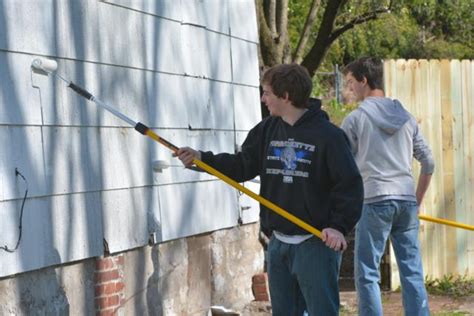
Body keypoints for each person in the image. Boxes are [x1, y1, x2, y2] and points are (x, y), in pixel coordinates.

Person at [177, 63, 363, 315]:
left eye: (267, 93)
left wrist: (338, 226)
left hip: (315, 245)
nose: (263, 99)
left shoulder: (328, 136)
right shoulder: (267, 130)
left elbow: (349, 186)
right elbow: (241, 165)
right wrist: (201, 159)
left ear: (285, 96)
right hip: (279, 244)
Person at [341, 57, 434, 316]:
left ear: (364, 81)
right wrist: (416, 200)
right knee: (411, 269)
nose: (349, 89)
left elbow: (341, 166)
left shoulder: (355, 120)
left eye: (351, 83)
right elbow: (429, 161)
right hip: (405, 200)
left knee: (368, 272)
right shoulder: (406, 117)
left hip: (374, 200)